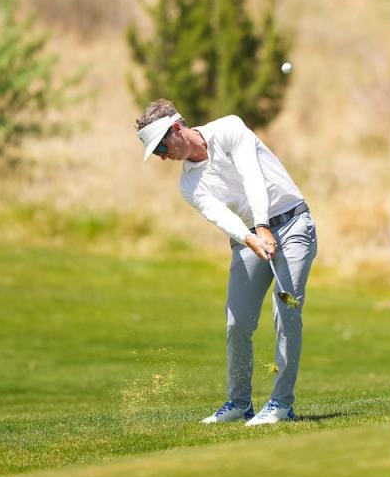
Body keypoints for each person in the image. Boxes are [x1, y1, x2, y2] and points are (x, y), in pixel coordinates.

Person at [136, 98, 317, 426]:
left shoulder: (229, 129)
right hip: (248, 237)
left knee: (285, 307)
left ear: (176, 128)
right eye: (158, 154)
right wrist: (252, 237)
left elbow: (253, 178)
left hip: (292, 224)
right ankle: (238, 402)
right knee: (237, 322)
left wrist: (263, 225)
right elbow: (221, 216)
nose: (163, 157)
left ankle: (280, 403)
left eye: (161, 147)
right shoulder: (189, 185)